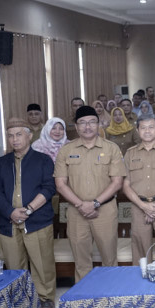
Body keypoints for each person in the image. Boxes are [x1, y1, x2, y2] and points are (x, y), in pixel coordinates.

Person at [0, 117, 57, 308]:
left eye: (19, 134)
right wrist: (10, 211)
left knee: (41, 263)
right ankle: (20, 300)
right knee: (15, 264)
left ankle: (45, 299)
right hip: (9, 222)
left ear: (30, 135)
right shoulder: (1, 163)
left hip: (36, 220)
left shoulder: (43, 160)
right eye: (10, 135)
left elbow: (49, 187)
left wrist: (28, 210)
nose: (14, 139)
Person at [54, 106, 125, 282]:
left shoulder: (111, 148)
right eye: (83, 123)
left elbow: (117, 182)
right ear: (76, 127)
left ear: (98, 124)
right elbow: (60, 184)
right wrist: (81, 204)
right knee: (81, 261)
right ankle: (84, 300)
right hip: (76, 212)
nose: (88, 126)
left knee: (109, 258)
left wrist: (94, 203)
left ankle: (112, 297)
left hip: (105, 211)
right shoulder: (66, 150)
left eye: (92, 122)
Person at [122, 115, 155, 265]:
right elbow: (125, 185)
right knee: (141, 248)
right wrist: (144, 206)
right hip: (139, 205)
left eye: (151, 127)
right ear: (138, 131)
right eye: (143, 128)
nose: (147, 131)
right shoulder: (130, 153)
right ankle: (142, 286)